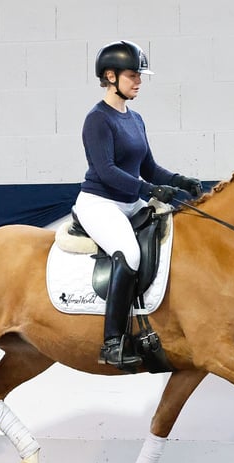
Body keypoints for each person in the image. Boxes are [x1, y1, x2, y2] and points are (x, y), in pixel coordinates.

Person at [74, 40, 203, 369]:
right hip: (100, 203)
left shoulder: (135, 118)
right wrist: (150, 190)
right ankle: (113, 342)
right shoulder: (97, 120)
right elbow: (107, 171)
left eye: (139, 76)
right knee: (129, 254)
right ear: (110, 76)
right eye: (133, 76)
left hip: (129, 203)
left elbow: (149, 168)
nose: (139, 82)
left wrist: (178, 181)